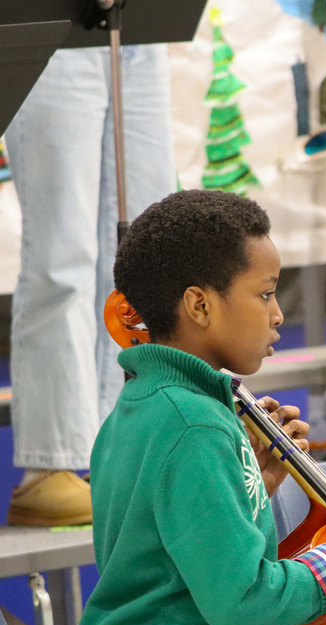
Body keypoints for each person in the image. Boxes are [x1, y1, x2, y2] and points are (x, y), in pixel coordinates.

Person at [74, 190, 326, 625]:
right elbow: (242, 601)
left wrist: (254, 487)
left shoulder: (144, 408)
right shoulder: (193, 425)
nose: (278, 314)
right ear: (199, 305)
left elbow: (175, 544)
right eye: (265, 294)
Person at [4, 44, 177, 526]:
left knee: (149, 249)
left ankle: (130, 448)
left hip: (139, 32)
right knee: (61, 253)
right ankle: (48, 465)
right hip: (53, 36)